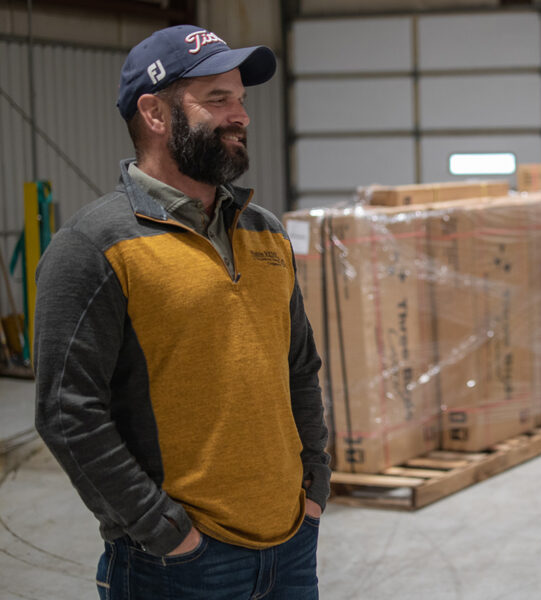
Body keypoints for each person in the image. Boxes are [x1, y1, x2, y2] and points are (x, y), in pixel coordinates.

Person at [33, 25, 329, 599]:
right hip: (179, 565)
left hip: (292, 543)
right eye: (217, 99)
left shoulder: (265, 231)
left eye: (240, 98)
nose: (240, 115)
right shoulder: (94, 245)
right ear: (154, 113)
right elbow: (66, 411)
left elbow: (300, 367)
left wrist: (314, 482)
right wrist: (163, 531)